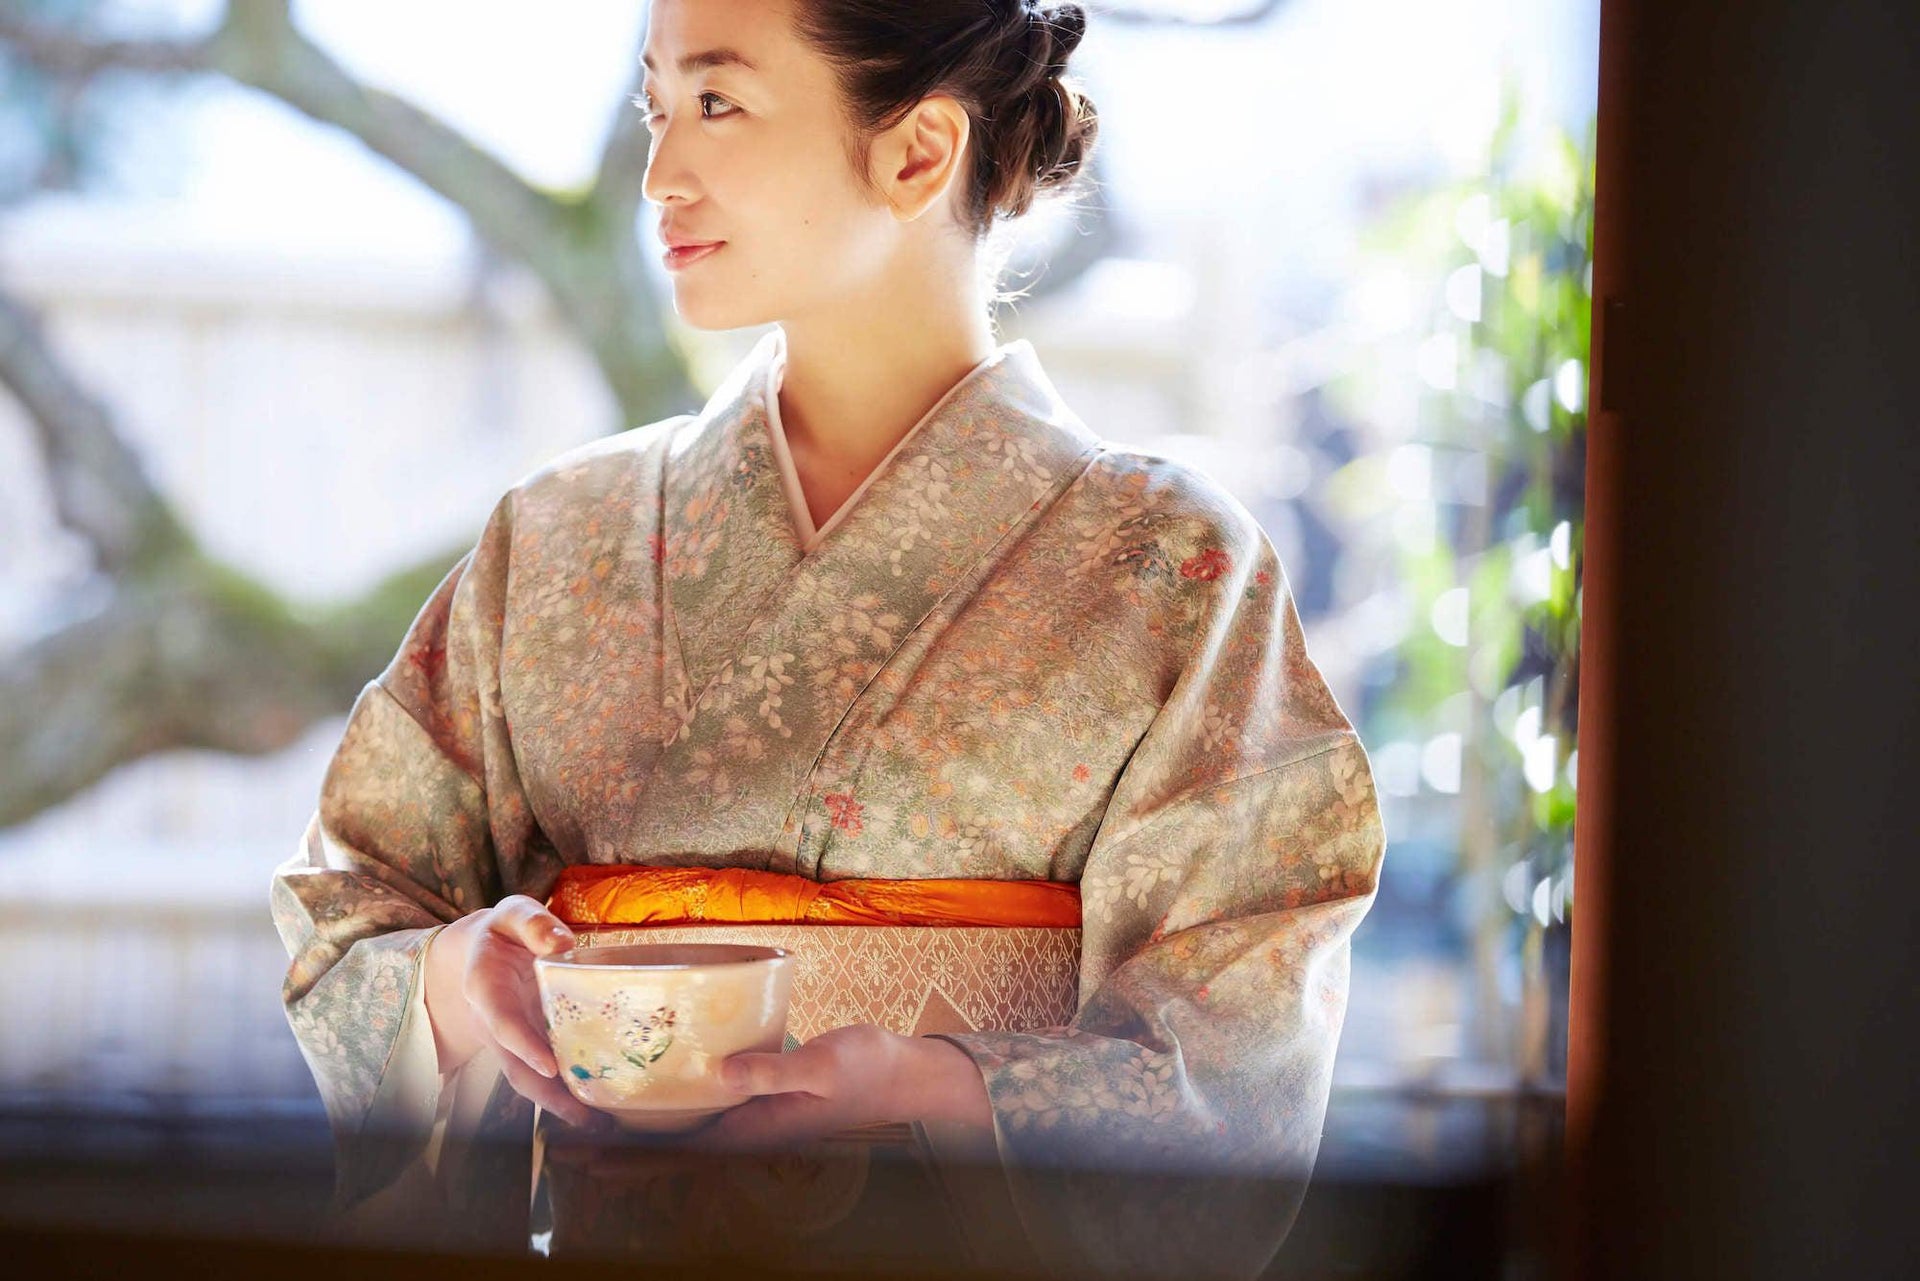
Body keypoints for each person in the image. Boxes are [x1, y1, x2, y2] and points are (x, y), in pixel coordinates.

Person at [269, 0, 1386, 1275]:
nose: (658, 173)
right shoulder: (560, 537)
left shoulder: (1171, 564)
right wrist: (461, 984)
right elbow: (356, 901)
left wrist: (926, 1080)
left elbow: (1235, 1040)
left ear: (916, 153)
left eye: (719, 102)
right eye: (656, 107)